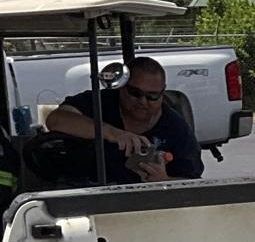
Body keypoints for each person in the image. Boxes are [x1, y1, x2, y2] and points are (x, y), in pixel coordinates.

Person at [45, 57, 202, 184]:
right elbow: (56, 119)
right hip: (86, 192)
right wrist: (110, 133)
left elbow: (193, 182)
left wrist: (163, 181)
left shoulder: (175, 127)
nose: (142, 101)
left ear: (162, 92)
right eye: (135, 93)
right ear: (121, 86)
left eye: (152, 96)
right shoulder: (100, 102)